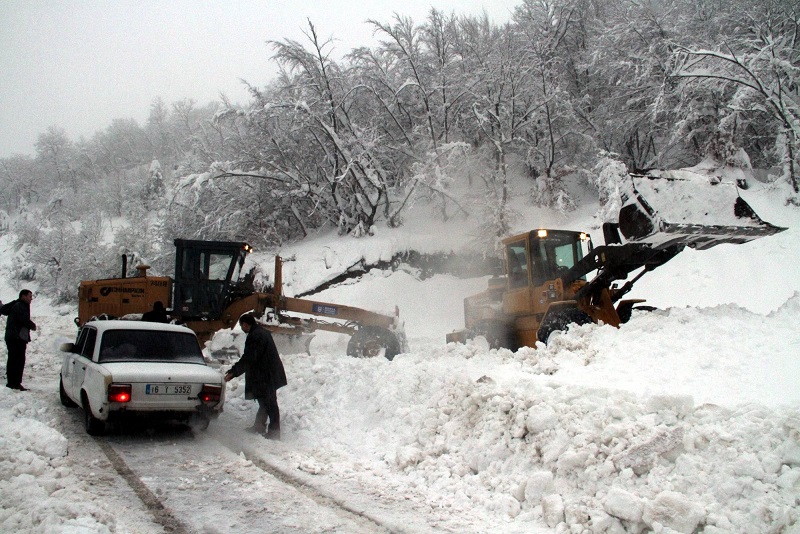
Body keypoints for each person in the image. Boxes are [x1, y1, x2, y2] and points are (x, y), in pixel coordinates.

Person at [224, 313, 287, 440]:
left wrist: (233, 372)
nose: (242, 329)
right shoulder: (260, 332)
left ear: (245, 324)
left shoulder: (256, 336)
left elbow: (249, 359)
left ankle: (274, 433)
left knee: (270, 403)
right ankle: (259, 426)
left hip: (266, 376)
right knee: (264, 402)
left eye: (242, 326)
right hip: (267, 374)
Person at [1, 290, 37, 391]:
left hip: (14, 337)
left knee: (15, 360)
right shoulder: (20, 306)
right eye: (30, 296)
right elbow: (23, 319)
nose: (31, 298)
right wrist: (32, 325)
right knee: (17, 360)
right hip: (16, 338)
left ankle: (14, 382)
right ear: (23, 296)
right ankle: (14, 383)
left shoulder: (18, 304)